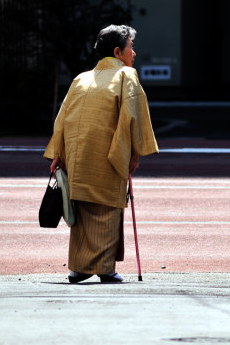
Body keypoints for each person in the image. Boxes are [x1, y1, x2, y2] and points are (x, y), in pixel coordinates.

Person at [44, 24, 158, 283]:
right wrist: (133, 152)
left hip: (77, 154)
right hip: (107, 153)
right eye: (130, 47)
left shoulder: (80, 78)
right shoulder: (126, 76)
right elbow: (132, 116)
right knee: (107, 210)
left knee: (81, 210)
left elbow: (61, 120)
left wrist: (58, 154)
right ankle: (105, 268)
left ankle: (78, 267)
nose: (134, 53)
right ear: (118, 52)